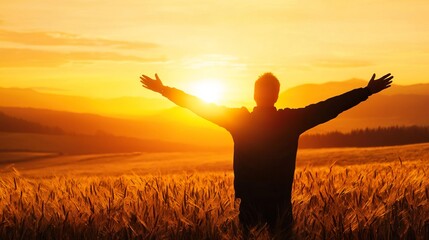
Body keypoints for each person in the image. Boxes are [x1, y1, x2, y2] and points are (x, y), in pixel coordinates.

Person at [139, 72, 393, 237]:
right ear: (277, 95)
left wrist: (165, 90)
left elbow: (198, 106)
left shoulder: (239, 121)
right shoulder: (291, 120)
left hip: (248, 204)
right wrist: (365, 91)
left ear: (254, 95)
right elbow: (329, 107)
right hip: (281, 204)